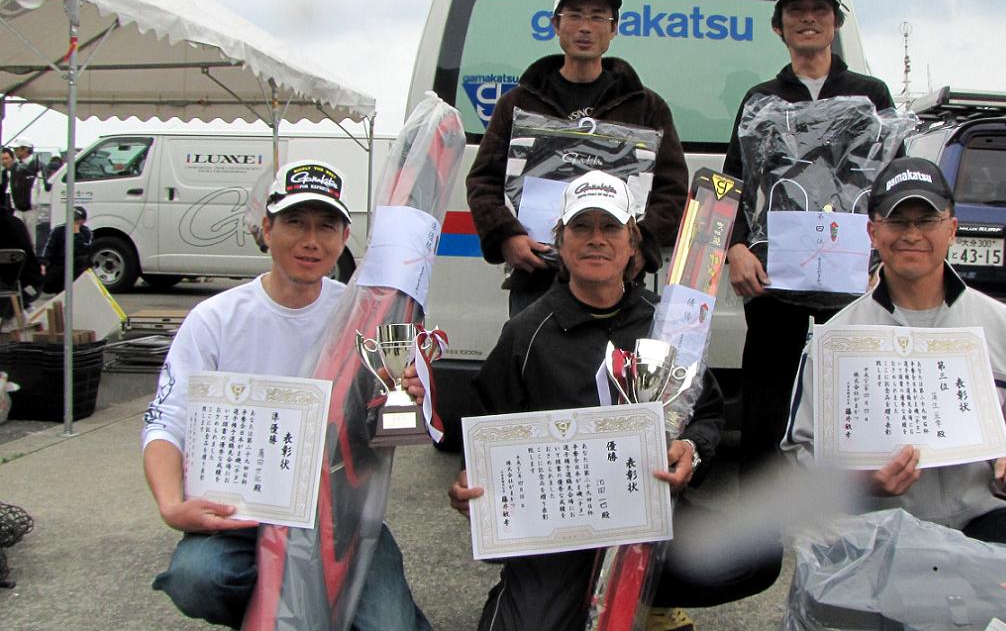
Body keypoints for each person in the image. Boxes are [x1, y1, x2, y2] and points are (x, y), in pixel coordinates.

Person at [450, 171, 781, 631]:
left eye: (610, 227)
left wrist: (691, 450)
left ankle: (649, 596)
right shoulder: (526, 333)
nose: (596, 239)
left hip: (652, 515)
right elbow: (483, 427)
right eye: (580, 227)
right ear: (560, 242)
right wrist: (473, 483)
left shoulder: (669, 325)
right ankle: (540, 590)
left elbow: (705, 413)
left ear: (632, 245)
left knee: (761, 553)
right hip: (560, 531)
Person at [783, 157, 1006, 598]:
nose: (912, 234)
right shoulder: (836, 338)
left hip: (984, 513)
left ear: (952, 229)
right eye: (896, 220)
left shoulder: (1002, 326)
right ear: (873, 232)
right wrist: (862, 481)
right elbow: (800, 451)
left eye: (927, 220)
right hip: (877, 518)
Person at [140, 160, 432, 629]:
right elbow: (167, 421)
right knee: (197, 578)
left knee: (389, 624)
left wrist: (407, 398)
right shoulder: (216, 319)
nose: (311, 241)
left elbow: (380, 430)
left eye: (326, 226)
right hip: (240, 514)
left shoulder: (363, 317)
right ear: (266, 228)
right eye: (295, 222)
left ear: (344, 236)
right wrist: (173, 505)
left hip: (340, 518)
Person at [721, 0, 896, 482]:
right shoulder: (761, 99)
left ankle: (848, 502)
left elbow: (890, 181)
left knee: (852, 399)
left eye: (820, 9)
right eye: (796, 10)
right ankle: (759, 515)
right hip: (775, 280)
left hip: (851, 279)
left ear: (835, 22)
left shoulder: (870, 94)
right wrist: (736, 248)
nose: (808, 19)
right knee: (767, 404)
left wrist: (883, 259)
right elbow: (733, 181)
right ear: (779, 26)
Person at [465, 0, 688, 316]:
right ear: (556, 24)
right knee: (530, 352)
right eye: (575, 15)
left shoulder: (646, 107)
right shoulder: (518, 103)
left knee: (617, 355)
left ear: (614, 29)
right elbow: (483, 181)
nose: (585, 27)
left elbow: (672, 190)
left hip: (618, 282)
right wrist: (505, 235)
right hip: (537, 278)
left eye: (598, 17)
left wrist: (641, 243)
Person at [39, 205, 93, 295]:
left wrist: (76, 233)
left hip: (76, 265)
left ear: (83, 221)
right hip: (59, 264)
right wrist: (43, 265)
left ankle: (74, 289)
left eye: (77, 220)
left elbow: (83, 250)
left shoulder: (87, 232)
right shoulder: (58, 230)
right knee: (44, 282)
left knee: (83, 260)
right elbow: (49, 249)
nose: (74, 222)